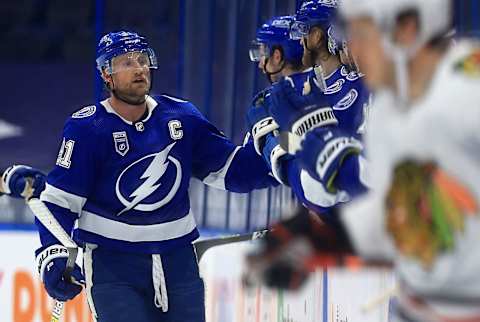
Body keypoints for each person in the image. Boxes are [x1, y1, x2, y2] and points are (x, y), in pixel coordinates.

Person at [249, 0, 480, 320]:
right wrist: (317, 239)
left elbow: (365, 180)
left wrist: (314, 136)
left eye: (362, 32)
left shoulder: (467, 86)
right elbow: (391, 203)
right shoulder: (390, 104)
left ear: (408, 28)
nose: (350, 47)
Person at [34, 30, 278, 322]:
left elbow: (234, 172)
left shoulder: (182, 117)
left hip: (178, 263)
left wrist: (275, 150)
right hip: (113, 266)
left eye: (142, 59)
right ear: (106, 74)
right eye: (126, 62)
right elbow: (58, 202)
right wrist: (54, 252)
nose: (138, 68)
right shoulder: (88, 129)